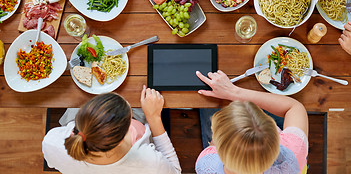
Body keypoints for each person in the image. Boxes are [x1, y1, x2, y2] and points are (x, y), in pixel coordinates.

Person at [42, 87, 181, 174]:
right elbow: (175, 170)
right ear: (121, 141)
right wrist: (154, 117)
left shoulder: (52, 142)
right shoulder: (149, 162)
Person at [195, 70, 308, 174]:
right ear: (275, 136)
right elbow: (294, 107)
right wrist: (235, 93)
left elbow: (215, 144)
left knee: (206, 97)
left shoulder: (206, 165)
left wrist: (231, 93)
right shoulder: (293, 153)